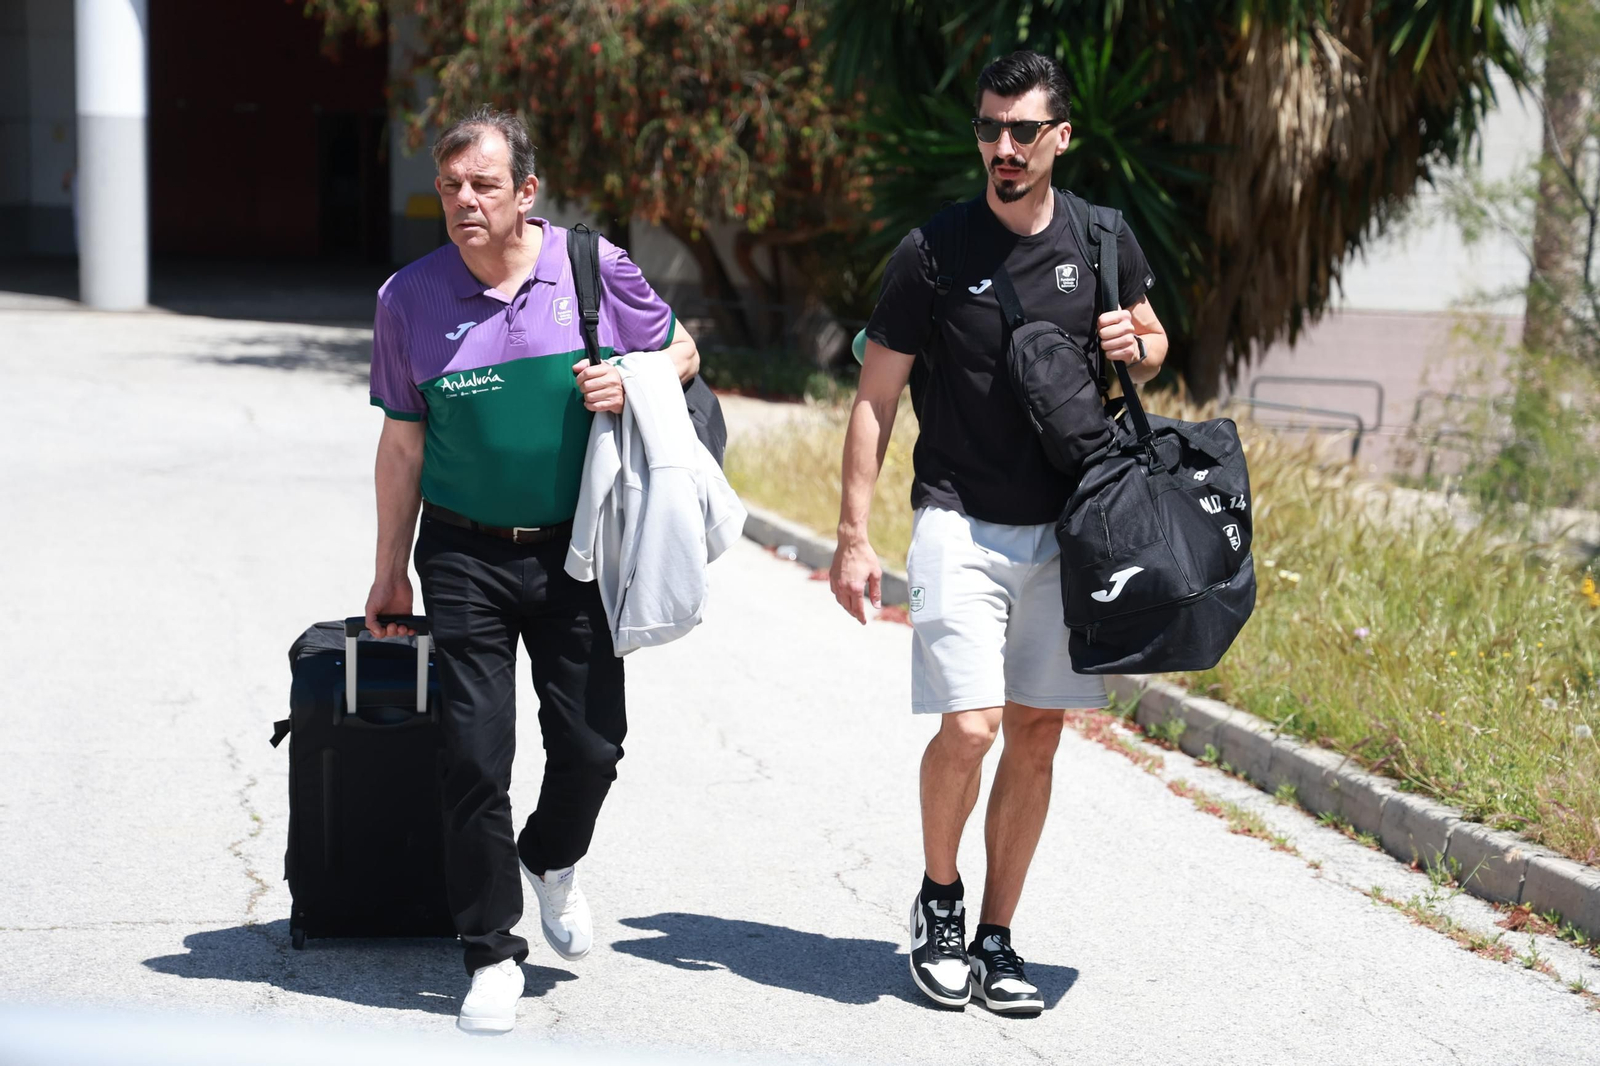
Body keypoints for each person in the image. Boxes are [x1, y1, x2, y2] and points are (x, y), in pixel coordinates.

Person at [828, 51, 1169, 1015]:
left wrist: (1133, 347)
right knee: (971, 725)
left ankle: (998, 936)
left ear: (1060, 137)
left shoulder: (1103, 240)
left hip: (1070, 530)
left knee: (1035, 736)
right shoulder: (930, 252)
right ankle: (940, 901)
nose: (1003, 147)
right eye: (989, 128)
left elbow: (1152, 341)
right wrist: (855, 535)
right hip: (956, 520)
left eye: (1023, 131)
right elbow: (875, 398)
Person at [363, 107, 699, 1034]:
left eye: (483, 185)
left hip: (577, 549)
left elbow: (682, 348)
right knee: (475, 756)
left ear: (526, 192)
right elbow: (401, 445)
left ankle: (550, 856)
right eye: (450, 187)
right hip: (464, 552)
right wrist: (390, 571)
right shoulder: (408, 300)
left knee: (593, 746)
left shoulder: (592, 268)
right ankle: (490, 953)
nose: (464, 201)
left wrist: (631, 378)